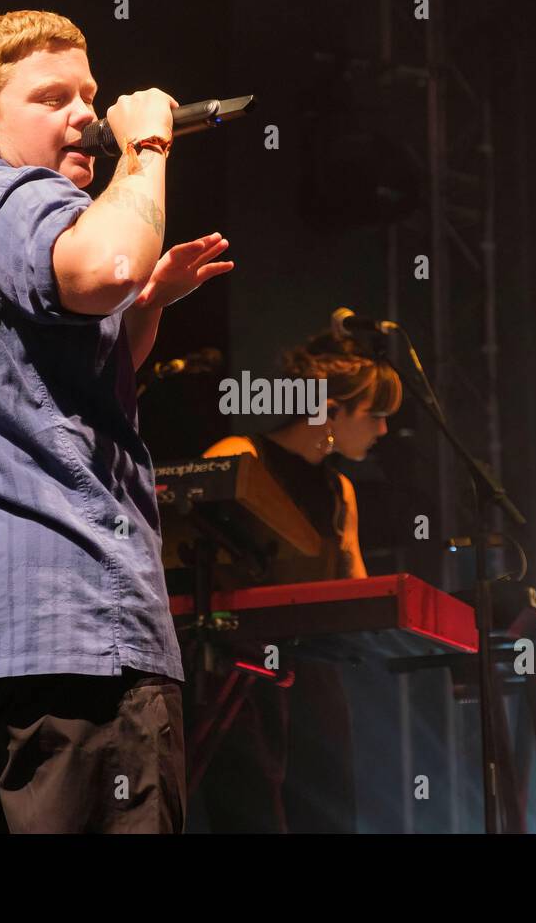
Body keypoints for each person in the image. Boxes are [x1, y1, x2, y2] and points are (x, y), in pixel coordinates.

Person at [0, 9, 233, 833]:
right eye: (52, 97)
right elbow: (107, 262)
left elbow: (39, 389)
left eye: (92, 95)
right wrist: (147, 151)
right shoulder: (13, 196)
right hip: (69, 639)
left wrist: (146, 306)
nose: (86, 115)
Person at [196, 331, 402, 832]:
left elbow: (356, 593)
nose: (384, 429)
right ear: (329, 412)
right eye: (374, 415)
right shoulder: (238, 455)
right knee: (251, 814)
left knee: (325, 816)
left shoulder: (340, 489)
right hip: (239, 671)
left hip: (315, 677)